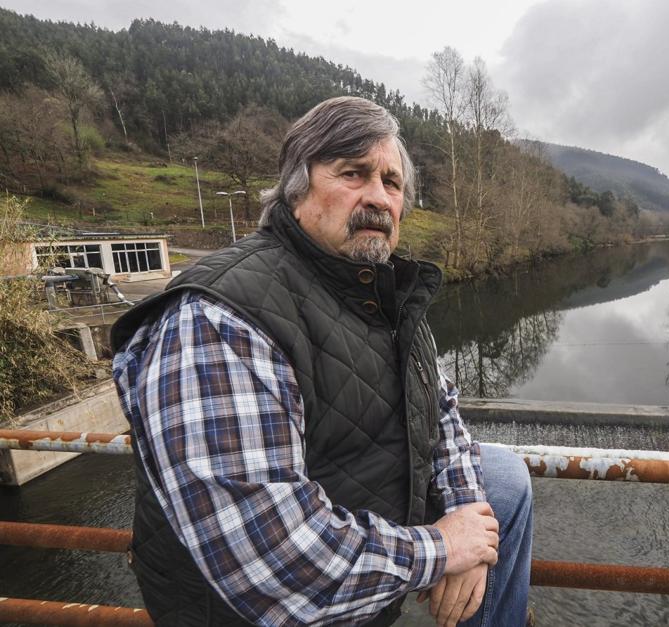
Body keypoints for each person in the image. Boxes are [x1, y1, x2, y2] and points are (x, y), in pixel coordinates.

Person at [111, 96, 533, 626]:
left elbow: (443, 418)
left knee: (502, 481)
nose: (378, 198)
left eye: (392, 183)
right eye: (353, 173)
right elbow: (273, 561)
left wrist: (470, 523)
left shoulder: (384, 293)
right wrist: (442, 550)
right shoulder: (218, 318)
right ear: (296, 188)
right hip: (251, 611)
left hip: (364, 531)